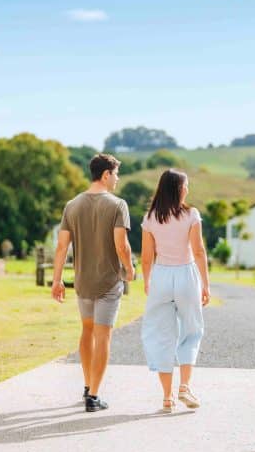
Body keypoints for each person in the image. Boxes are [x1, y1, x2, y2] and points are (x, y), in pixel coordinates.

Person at [52, 153, 135, 412]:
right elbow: (121, 244)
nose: (117, 179)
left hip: (82, 282)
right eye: (116, 174)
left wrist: (57, 280)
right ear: (106, 174)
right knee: (103, 336)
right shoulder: (118, 205)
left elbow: (61, 247)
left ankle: (88, 386)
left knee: (87, 331)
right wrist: (130, 268)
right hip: (109, 282)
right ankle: (94, 396)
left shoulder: (72, 205)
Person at [139, 169, 210, 413]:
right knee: (191, 331)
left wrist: (148, 281)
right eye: (185, 186)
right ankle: (185, 386)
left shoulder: (150, 217)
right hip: (186, 274)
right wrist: (205, 284)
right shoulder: (191, 214)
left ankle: (167, 398)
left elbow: (146, 257)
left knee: (162, 335)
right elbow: (198, 251)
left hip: (160, 275)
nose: (187, 190)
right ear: (178, 189)